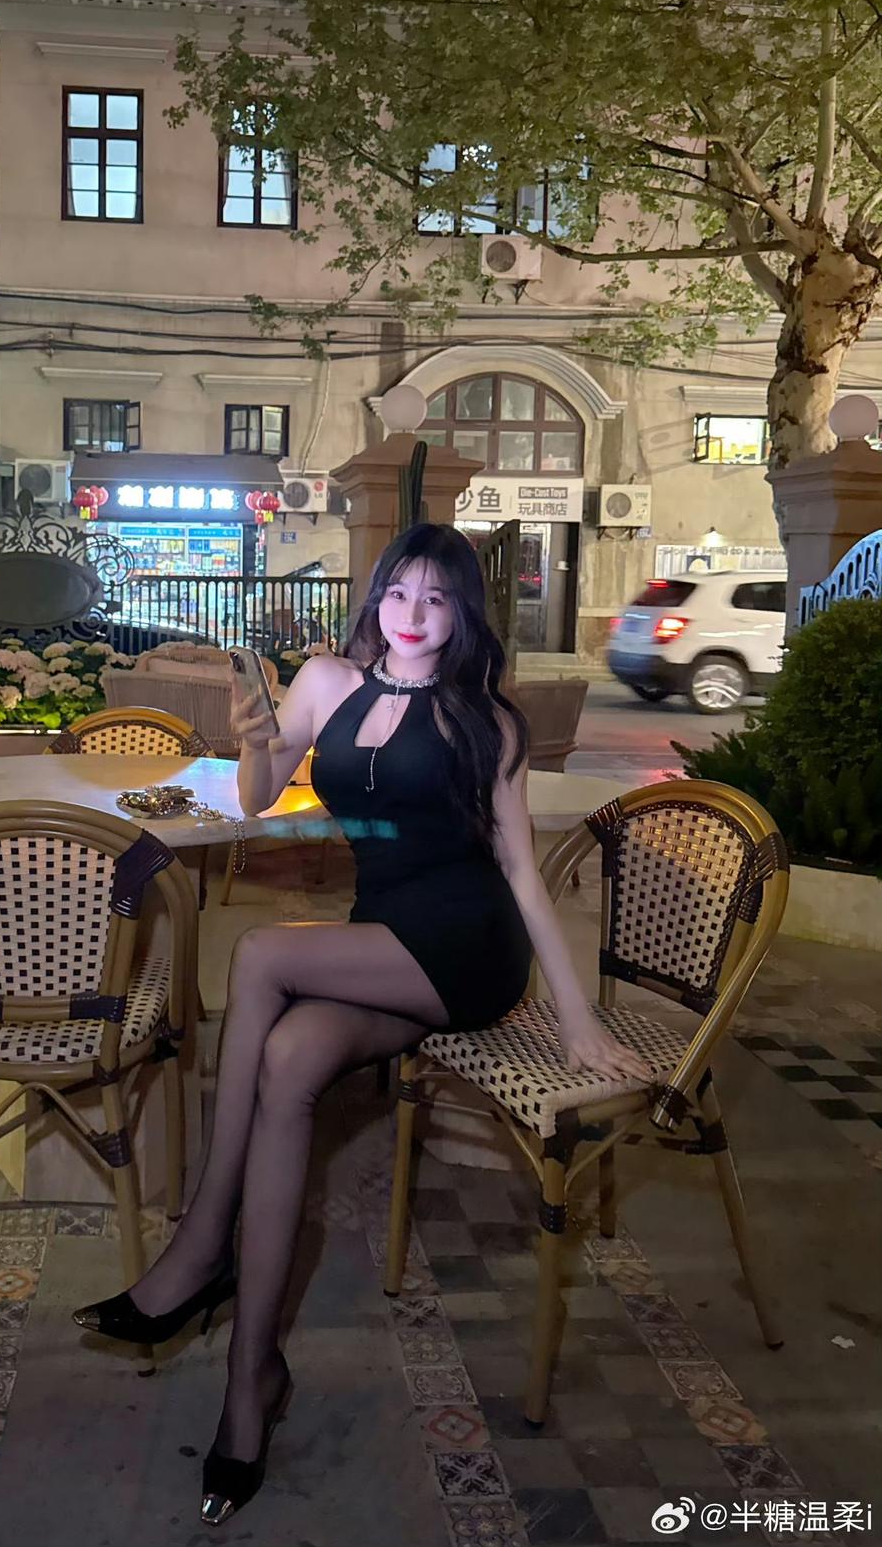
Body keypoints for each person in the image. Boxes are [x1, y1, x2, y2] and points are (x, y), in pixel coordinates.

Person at [74, 523, 651, 1526]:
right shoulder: (326, 682)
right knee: (290, 1056)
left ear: (463, 614)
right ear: (375, 598)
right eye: (398, 593)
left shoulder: (487, 720)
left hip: (466, 949)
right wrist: (254, 738)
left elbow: (520, 872)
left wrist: (574, 1019)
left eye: (436, 598)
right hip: (380, 935)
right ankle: (251, 1381)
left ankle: (202, 1242)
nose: (412, 615)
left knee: (262, 955)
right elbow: (258, 798)